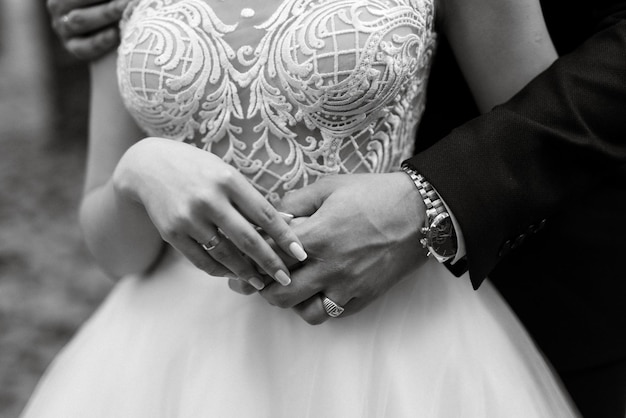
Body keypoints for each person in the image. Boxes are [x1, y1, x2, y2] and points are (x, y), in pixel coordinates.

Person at [21, 0, 579, 416]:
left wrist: (427, 209)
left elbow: (549, 143)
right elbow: (118, 255)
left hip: (397, 339)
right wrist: (138, 169)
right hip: (165, 356)